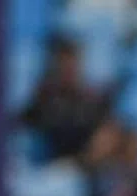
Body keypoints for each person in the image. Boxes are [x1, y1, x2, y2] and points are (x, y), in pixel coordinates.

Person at [16, 33, 113, 163]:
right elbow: (23, 122)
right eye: (63, 65)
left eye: (72, 64)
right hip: (53, 166)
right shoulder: (44, 97)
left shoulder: (92, 99)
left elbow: (106, 132)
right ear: (55, 66)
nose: (69, 70)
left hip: (86, 166)